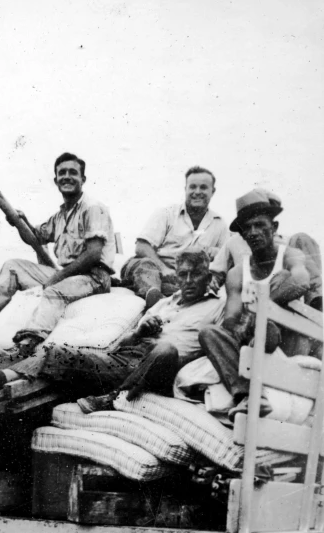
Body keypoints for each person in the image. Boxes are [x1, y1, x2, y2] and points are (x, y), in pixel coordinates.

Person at [0, 248, 225, 405]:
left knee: (164, 349)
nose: (188, 281)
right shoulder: (167, 303)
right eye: (183, 274)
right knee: (56, 351)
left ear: (208, 276)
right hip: (128, 358)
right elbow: (123, 344)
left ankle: (112, 399)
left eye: (195, 274)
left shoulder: (217, 307)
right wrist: (141, 331)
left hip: (161, 369)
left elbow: (216, 347)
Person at [0, 152, 116, 356]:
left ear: (82, 179)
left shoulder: (92, 208)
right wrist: (19, 221)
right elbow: (35, 237)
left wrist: (58, 277)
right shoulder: (60, 216)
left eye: (73, 172)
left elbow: (93, 254)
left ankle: (27, 342)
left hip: (93, 277)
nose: (67, 176)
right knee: (13, 266)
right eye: (62, 173)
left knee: (53, 291)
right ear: (56, 180)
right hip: (69, 274)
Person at [199, 190, 311, 420]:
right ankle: (249, 395)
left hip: (285, 342)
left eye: (260, 225)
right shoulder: (238, 273)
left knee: (267, 323)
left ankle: (252, 392)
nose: (253, 233)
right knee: (209, 333)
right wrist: (244, 323)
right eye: (246, 228)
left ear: (275, 227)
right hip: (251, 340)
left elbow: (301, 280)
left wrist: (262, 307)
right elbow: (231, 319)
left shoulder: (289, 255)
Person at [120, 166, 229, 299]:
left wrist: (217, 253)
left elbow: (226, 260)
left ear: (213, 191)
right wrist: (164, 269)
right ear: (185, 189)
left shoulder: (220, 224)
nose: (197, 192)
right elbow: (142, 246)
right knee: (145, 266)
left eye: (203, 187)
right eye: (192, 187)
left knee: (198, 287)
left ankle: (163, 297)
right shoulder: (166, 214)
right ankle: (155, 299)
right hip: (155, 268)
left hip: (183, 279)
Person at [210, 190, 322, 310]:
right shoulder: (232, 242)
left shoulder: (287, 243)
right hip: (246, 292)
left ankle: (316, 303)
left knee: (300, 243)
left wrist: (263, 306)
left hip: (278, 297)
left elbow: (300, 275)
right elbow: (216, 272)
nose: (254, 231)